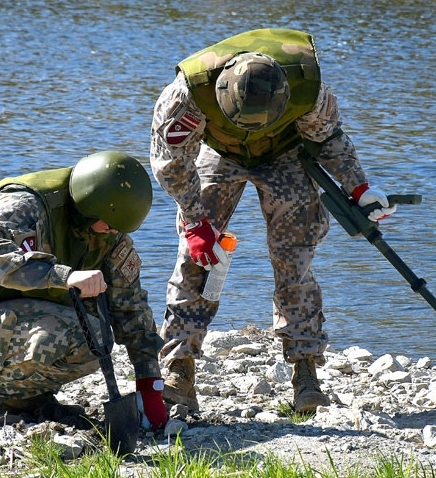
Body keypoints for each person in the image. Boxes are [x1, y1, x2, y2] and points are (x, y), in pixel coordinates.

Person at [150, 28, 396, 414]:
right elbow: (171, 163)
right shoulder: (187, 95)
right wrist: (195, 221)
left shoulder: (307, 88)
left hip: (285, 152)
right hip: (220, 151)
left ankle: (305, 373)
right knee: (197, 256)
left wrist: (359, 187)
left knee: (294, 259)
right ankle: (180, 368)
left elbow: (329, 139)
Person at [0, 151, 168, 431]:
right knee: (77, 334)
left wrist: (149, 385)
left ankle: (23, 398)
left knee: (96, 335)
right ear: (90, 205)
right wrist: (64, 276)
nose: (112, 233)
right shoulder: (28, 204)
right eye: (109, 225)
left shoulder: (107, 231)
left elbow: (131, 307)